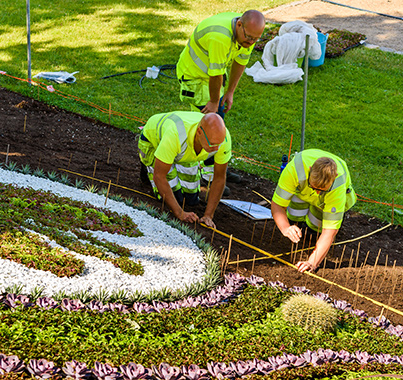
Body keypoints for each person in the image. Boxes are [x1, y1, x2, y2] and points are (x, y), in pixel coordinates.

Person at [176, 10, 265, 186]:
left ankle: (217, 168)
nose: (251, 42)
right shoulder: (220, 37)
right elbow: (215, 74)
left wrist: (230, 92)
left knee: (218, 120)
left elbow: (240, 62)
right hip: (194, 77)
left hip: (211, 77)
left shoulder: (249, 33)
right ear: (239, 25)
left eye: (256, 39)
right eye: (249, 38)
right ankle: (208, 174)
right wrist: (214, 102)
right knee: (208, 123)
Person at [138, 111, 231, 229]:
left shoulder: (222, 138)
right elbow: (159, 176)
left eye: (219, 144)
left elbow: (219, 177)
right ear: (199, 132)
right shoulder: (176, 134)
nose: (216, 149)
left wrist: (208, 215)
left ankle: (173, 162)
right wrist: (179, 213)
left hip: (183, 151)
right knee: (175, 199)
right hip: (153, 142)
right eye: (212, 144)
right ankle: (146, 170)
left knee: (191, 199)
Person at [271, 149, 357, 273]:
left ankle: (309, 231)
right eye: (314, 187)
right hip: (301, 192)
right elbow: (277, 205)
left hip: (324, 202)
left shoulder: (338, 187)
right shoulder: (294, 170)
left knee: (315, 227)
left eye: (321, 190)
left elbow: (329, 232)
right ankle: (297, 224)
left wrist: (312, 262)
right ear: (310, 169)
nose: (317, 192)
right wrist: (285, 227)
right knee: (294, 215)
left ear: (334, 178)